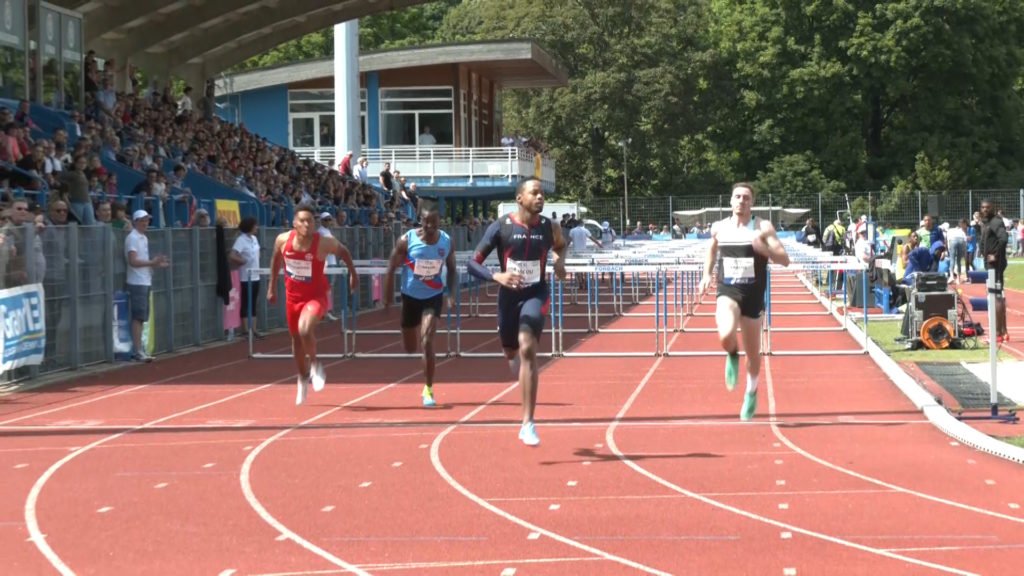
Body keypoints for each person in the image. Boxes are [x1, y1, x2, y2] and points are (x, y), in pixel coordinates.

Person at [466, 178, 567, 446]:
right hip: (508, 298)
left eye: (542, 193)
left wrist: (559, 261)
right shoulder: (501, 227)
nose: (540, 197)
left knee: (527, 347)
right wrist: (495, 276)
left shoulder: (549, 227)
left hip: (536, 293)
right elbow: (471, 263)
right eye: (534, 193)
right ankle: (517, 365)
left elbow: (560, 245)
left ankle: (527, 423)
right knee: (511, 350)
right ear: (520, 199)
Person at [699, 183, 791, 421]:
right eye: (737, 197)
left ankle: (751, 391)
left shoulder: (762, 227)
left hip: (753, 295)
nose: (741, 201)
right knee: (725, 333)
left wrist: (765, 251)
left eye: (746, 198)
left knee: (753, 355)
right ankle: (731, 353)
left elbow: (785, 260)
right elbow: (712, 248)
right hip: (728, 289)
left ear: (752, 203)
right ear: (730, 201)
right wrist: (706, 274)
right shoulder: (719, 227)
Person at [267, 204, 359, 405]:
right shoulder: (283, 240)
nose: (307, 224)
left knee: (305, 329)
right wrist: (272, 286)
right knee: (296, 342)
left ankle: (316, 364)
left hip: (316, 297)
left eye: (310, 221)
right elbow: (275, 261)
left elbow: (344, 252)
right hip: (293, 299)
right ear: (294, 224)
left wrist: (353, 274)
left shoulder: (323, 243)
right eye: (303, 220)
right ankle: (301, 378)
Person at [383, 202, 457, 407]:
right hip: (410, 298)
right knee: (409, 347)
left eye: (434, 222)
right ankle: (410, 334)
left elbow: (452, 269)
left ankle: (428, 389)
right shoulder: (407, 241)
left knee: (427, 341)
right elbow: (390, 268)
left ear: (439, 221)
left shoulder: (446, 242)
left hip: (433, 297)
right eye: (426, 222)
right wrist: (387, 298)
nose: (430, 226)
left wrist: (450, 292)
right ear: (420, 221)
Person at [125, 209, 169, 362]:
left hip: (144, 280)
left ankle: (139, 349)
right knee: (138, 317)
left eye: (147, 220)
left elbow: (141, 261)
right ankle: (137, 351)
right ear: (136, 221)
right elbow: (133, 261)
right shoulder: (133, 238)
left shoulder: (143, 238)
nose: (145, 223)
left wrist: (156, 264)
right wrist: (152, 262)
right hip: (137, 282)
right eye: (142, 220)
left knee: (142, 317)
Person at [979, 199, 1009, 342]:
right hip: (989, 264)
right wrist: (981, 250)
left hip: (996, 264)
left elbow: (1003, 238)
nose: (985, 210)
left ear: (993, 208)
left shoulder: (996, 221)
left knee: (995, 296)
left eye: (988, 207)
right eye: (983, 207)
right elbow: (984, 240)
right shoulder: (986, 223)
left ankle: (998, 332)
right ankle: (1003, 332)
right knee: (997, 295)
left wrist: (995, 254)